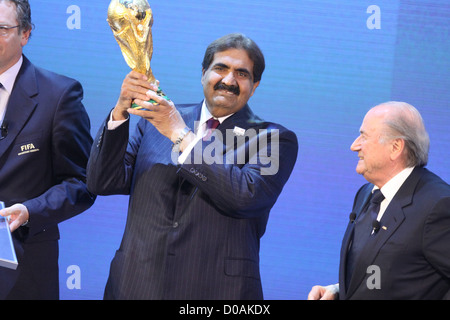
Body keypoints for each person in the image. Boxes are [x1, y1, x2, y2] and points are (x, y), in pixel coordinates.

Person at [87, 33, 298, 299]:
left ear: (254, 86)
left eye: (242, 74)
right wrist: (119, 113)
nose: (229, 80)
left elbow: (247, 197)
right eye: (220, 68)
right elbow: (101, 182)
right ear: (203, 74)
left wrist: (179, 133)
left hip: (217, 291)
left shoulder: (273, 138)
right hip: (135, 284)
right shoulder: (155, 120)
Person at [0, 0, 95, 299]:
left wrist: (29, 211)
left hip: (24, 266)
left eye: (1, 29)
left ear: (25, 33)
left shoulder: (59, 95)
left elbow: (82, 183)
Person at [308, 101, 450, 300]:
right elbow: (395, 273)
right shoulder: (367, 194)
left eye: (364, 136)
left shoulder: (439, 205)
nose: (354, 145)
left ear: (395, 147)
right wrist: (339, 290)